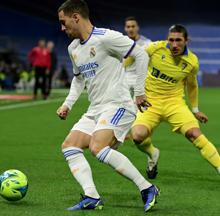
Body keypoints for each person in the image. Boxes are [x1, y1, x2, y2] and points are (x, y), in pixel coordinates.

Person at [56, 0, 159, 212]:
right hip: (96, 109)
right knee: (70, 146)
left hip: (118, 104)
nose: (62, 28)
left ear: (76, 17)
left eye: (64, 22)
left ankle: (147, 188)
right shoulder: (73, 48)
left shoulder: (106, 37)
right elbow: (78, 79)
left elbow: (140, 54)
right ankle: (91, 196)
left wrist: (139, 92)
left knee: (97, 147)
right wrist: (67, 104)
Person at [131, 24, 220, 179]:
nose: (174, 44)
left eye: (178, 40)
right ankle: (152, 153)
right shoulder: (155, 48)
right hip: (150, 103)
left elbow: (192, 85)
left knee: (194, 134)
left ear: (186, 40)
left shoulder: (192, 61)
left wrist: (195, 109)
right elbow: (133, 56)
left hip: (175, 103)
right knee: (138, 136)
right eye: (171, 40)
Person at [124, 16, 151, 98]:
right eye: (128, 27)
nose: (131, 29)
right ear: (125, 28)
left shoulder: (147, 43)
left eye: (133, 26)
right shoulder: (121, 43)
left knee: (140, 108)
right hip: (126, 78)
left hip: (142, 78)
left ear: (137, 28)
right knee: (125, 106)